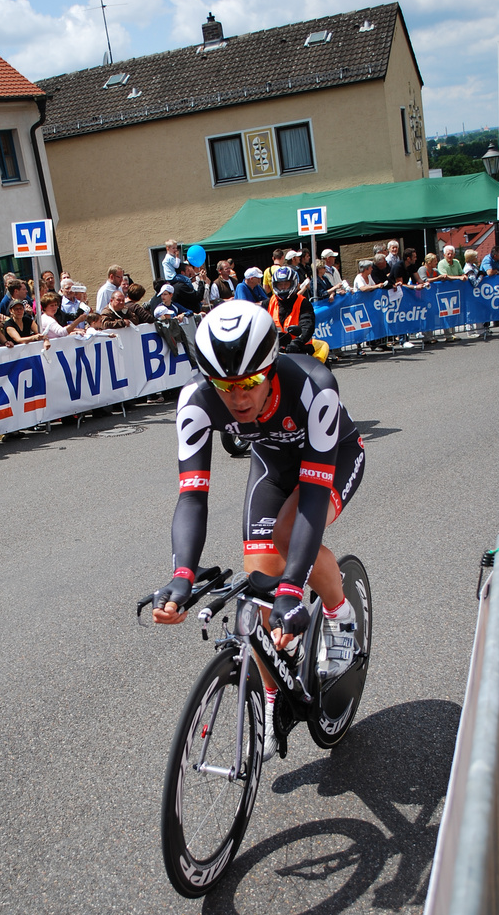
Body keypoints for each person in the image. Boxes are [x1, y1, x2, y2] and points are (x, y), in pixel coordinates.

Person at [152, 301, 365, 761]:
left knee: (287, 537)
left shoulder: (315, 387)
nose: (238, 397)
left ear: (269, 367)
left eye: (249, 382)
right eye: (224, 386)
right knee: (258, 588)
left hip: (333, 457)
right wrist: (182, 576)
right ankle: (271, 699)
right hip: (271, 461)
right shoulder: (195, 400)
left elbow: (311, 495)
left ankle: (339, 612)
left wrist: (293, 588)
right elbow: (192, 496)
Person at [267, 266, 316, 354]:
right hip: (275, 350)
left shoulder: (303, 303)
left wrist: (296, 343)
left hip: (300, 349)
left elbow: (307, 325)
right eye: (280, 285)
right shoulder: (270, 301)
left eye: (286, 284)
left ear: (293, 283)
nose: (283, 287)